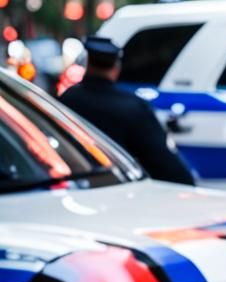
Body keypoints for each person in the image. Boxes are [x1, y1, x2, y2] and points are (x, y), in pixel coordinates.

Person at [59, 34, 194, 185]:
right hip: (119, 190)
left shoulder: (67, 99)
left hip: (74, 185)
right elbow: (168, 167)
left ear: (87, 64)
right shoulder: (132, 107)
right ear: (116, 67)